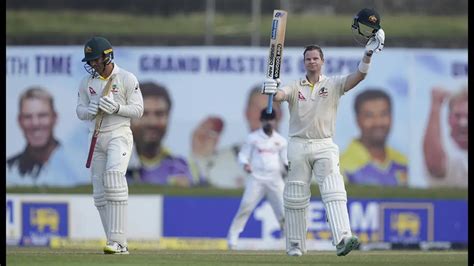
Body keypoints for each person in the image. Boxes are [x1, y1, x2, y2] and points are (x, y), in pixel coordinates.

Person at [261, 14, 385, 256]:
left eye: (315, 58)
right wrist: (271, 88)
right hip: (297, 144)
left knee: (334, 189)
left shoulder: (334, 84)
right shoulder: (295, 86)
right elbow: (279, 96)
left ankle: (343, 238)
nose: (312, 61)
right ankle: (295, 246)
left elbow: (359, 77)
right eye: (308, 59)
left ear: (322, 61)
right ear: (304, 62)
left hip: (325, 144)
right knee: (296, 195)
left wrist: (367, 55)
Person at [76, 36, 144, 254]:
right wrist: (91, 110)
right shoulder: (87, 83)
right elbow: (80, 111)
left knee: (114, 178)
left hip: (119, 134)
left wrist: (116, 108)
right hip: (95, 137)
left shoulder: (126, 78)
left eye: (96, 59)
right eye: (90, 61)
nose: (92, 64)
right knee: (99, 192)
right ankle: (113, 242)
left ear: (107, 56)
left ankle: (119, 241)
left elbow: (138, 110)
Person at [189, 85, 283, 188]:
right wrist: (199, 157)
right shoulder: (223, 161)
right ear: (247, 113)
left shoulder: (298, 162)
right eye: (256, 108)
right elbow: (199, 190)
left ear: (280, 114)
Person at [227, 108, 288, 250]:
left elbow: (285, 160)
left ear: (275, 121)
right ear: (261, 121)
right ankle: (233, 238)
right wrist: (245, 164)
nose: (269, 122)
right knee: (245, 207)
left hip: (275, 179)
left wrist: (288, 168)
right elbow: (243, 155)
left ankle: (288, 240)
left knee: (284, 211)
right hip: (256, 179)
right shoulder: (253, 138)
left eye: (271, 119)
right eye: (266, 119)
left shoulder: (281, 141)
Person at [7, 87, 90, 187]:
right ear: (20, 121)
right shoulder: (9, 170)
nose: (35, 123)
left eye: (42, 115)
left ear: (54, 118)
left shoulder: (80, 166)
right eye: (28, 117)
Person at [126, 81, 204, 186]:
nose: (152, 122)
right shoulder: (110, 165)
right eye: (143, 114)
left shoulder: (187, 169)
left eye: (159, 114)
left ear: (168, 117)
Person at [340, 89, 408, 186]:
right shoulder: (341, 167)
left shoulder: (403, 162)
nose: (378, 122)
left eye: (383, 114)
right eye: (369, 116)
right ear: (358, 120)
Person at [423, 85, 467, 188]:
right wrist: (436, 105)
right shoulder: (450, 157)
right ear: (449, 119)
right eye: (457, 116)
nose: (463, 123)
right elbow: (435, 165)